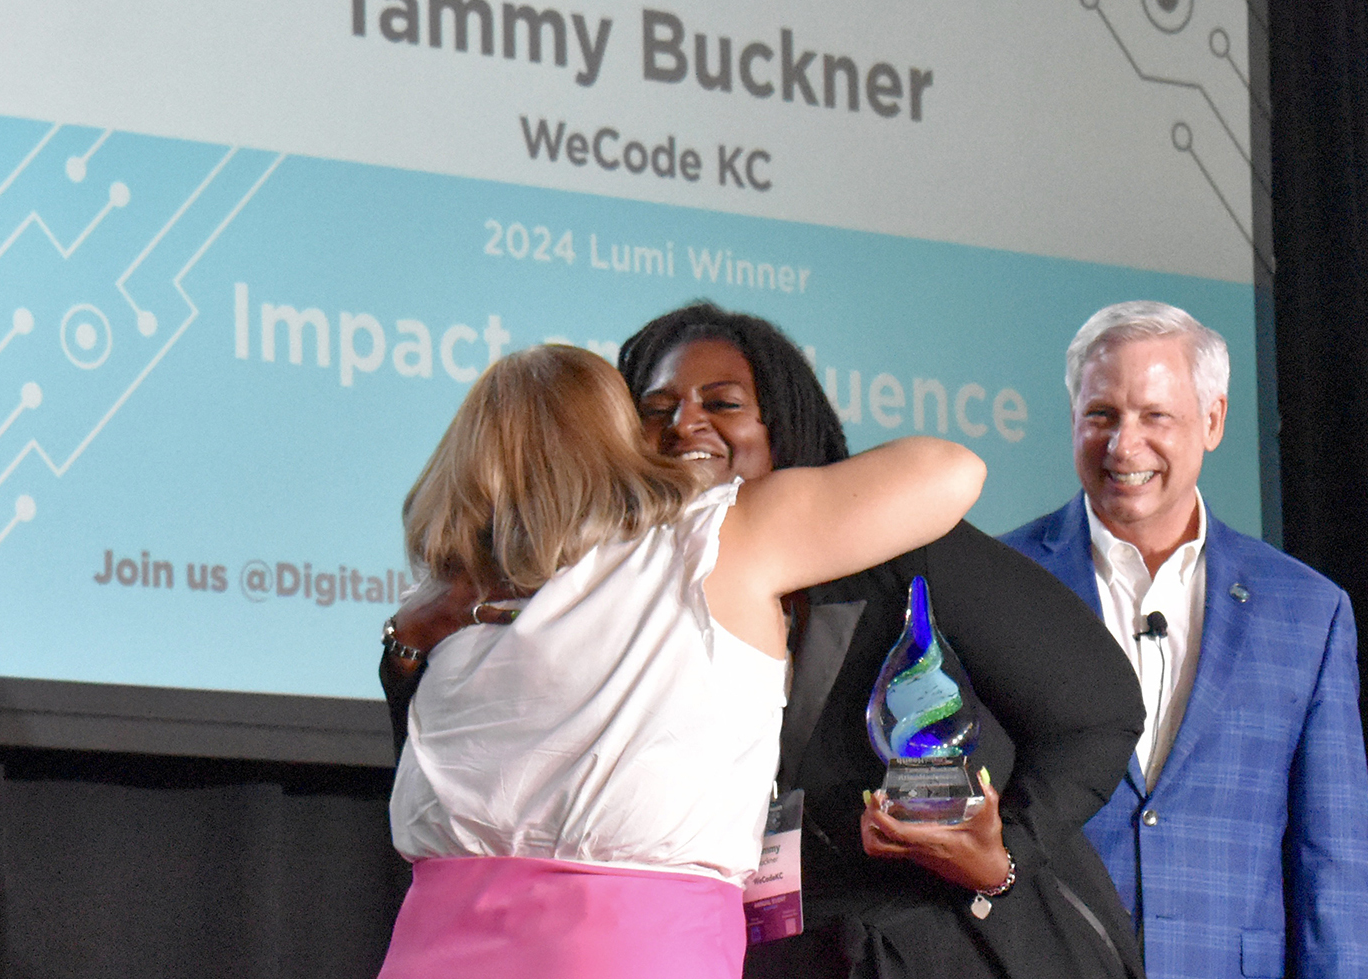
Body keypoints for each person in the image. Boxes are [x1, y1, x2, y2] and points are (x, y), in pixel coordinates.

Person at [376, 343, 984, 979]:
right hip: (626, 948)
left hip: (433, 946)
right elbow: (952, 469)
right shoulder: (708, 538)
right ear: (615, 438)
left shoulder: (441, 610)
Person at [617, 303, 1145, 979]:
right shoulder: (633, 605)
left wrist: (1004, 854)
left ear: (785, 424)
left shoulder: (900, 549)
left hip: (966, 947)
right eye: (655, 409)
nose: (683, 424)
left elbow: (1098, 710)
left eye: (722, 403)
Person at [1000, 301, 1368, 979]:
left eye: (1154, 415)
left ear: (1212, 420)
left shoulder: (1307, 612)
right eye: (1101, 415)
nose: (1123, 445)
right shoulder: (1001, 583)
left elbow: (1335, 873)